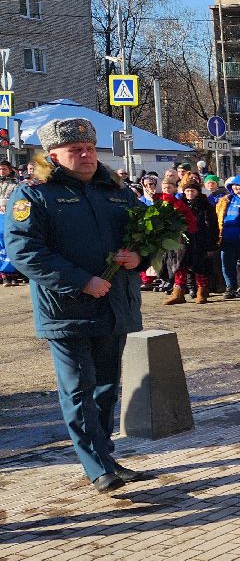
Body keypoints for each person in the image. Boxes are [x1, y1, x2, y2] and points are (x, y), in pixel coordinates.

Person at [3, 118, 151, 491]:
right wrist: (81, 281)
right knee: (79, 388)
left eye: (89, 148)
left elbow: (143, 232)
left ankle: (106, 456)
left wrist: (140, 257)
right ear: (53, 156)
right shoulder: (35, 194)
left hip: (113, 304)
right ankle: (97, 466)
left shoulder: (116, 189)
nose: (86, 155)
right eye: (75, 151)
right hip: (66, 307)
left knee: (106, 386)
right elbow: (25, 250)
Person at [177, 175, 219, 304]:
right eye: (187, 191)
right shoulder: (179, 205)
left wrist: (212, 244)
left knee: (200, 267)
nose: (190, 193)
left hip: (200, 241)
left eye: (192, 191)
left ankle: (202, 292)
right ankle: (178, 293)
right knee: (180, 267)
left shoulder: (205, 206)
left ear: (197, 192)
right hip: (182, 241)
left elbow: (212, 225)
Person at [217, 174, 240, 298]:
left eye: (239, 185)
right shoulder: (227, 199)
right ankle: (230, 286)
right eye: (234, 185)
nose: (236, 188)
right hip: (226, 237)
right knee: (226, 263)